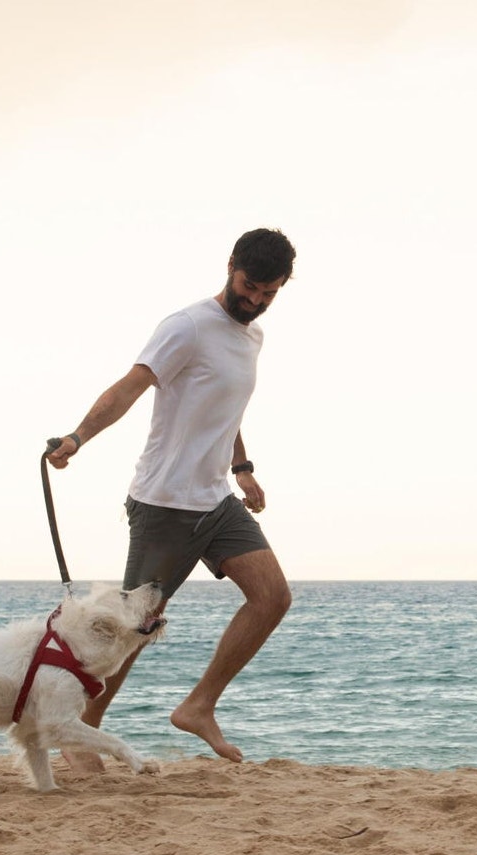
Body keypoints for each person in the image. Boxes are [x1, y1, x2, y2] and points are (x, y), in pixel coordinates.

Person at [47, 227, 296, 772]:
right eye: (249, 286)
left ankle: (199, 705)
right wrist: (76, 438)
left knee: (272, 598)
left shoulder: (252, 337)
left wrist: (243, 468)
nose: (254, 300)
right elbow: (129, 389)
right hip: (164, 503)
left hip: (215, 500)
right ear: (230, 266)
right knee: (133, 627)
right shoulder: (186, 327)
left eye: (268, 293)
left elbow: (223, 410)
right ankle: (80, 729)